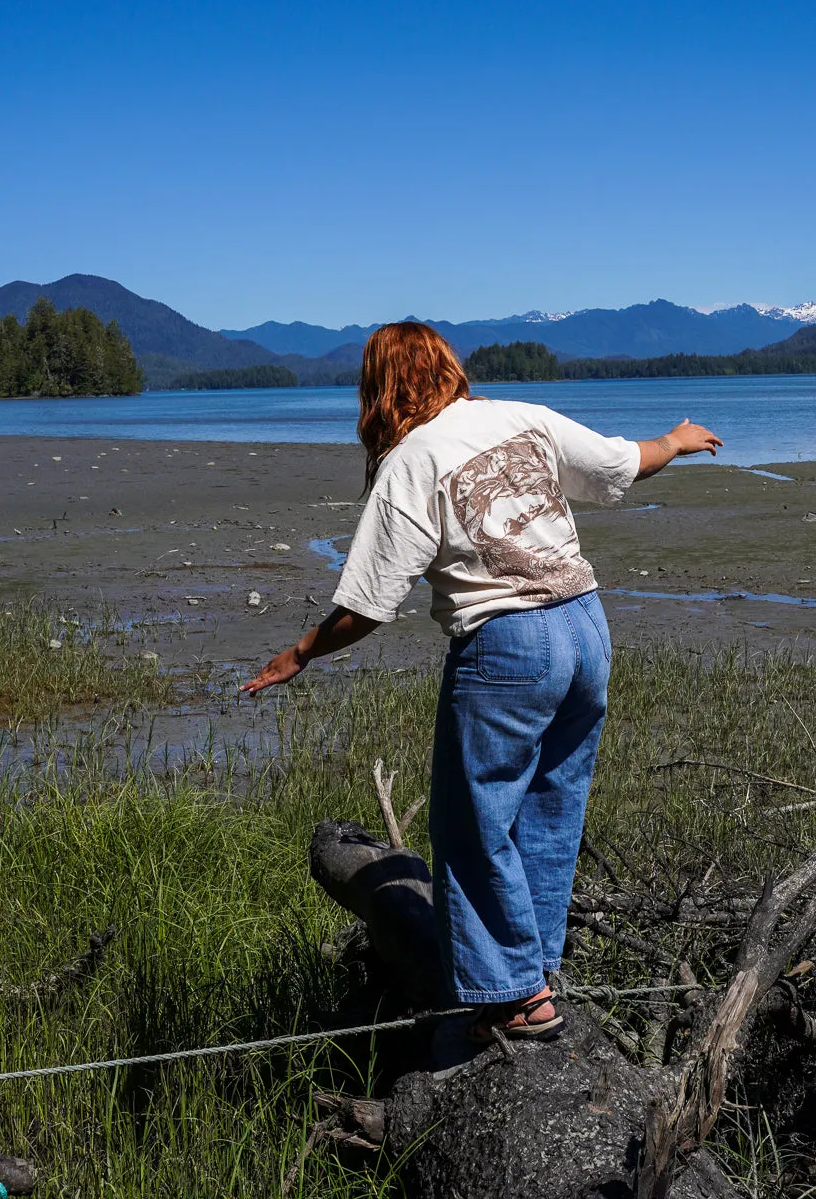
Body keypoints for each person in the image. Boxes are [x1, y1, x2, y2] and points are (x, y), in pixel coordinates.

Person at [243, 323, 722, 1042]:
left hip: (508, 642)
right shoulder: (515, 417)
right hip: (585, 625)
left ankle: (512, 994)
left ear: (376, 387)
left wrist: (303, 651)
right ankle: (535, 975)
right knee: (551, 806)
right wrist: (677, 439)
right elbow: (620, 464)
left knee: (472, 820)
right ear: (446, 367)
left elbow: (370, 602)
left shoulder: (409, 460)